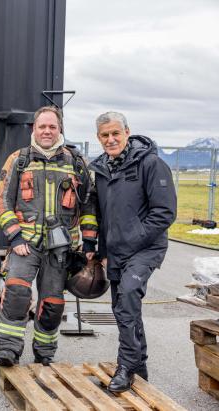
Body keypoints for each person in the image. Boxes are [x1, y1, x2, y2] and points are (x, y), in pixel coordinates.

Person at [0, 106, 98, 367]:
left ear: (60, 128)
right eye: (42, 126)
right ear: (34, 129)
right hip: (25, 246)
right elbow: (1, 200)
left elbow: (89, 206)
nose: (47, 131)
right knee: (16, 295)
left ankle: (44, 352)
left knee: (52, 305)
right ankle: (8, 349)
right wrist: (15, 238)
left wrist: (88, 241)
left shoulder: (77, 163)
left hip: (61, 249)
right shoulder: (18, 160)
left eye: (52, 126)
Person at [90, 112, 176, 392]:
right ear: (99, 138)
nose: (111, 139)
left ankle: (125, 367)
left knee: (127, 296)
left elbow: (164, 213)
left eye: (116, 133)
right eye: (105, 135)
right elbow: (102, 215)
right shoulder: (102, 170)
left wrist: (133, 239)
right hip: (115, 251)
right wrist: (102, 250)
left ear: (127, 132)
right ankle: (139, 364)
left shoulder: (151, 164)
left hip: (145, 248)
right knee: (122, 308)